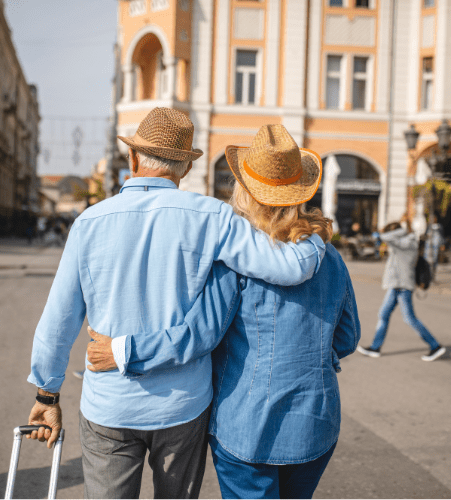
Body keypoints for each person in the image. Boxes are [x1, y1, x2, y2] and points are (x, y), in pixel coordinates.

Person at [25, 109, 327, 499]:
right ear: (184, 168)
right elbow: (286, 268)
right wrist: (317, 236)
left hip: (110, 404)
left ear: (133, 160)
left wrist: (46, 395)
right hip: (182, 406)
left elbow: (58, 322)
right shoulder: (212, 217)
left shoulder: (89, 222)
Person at [89, 124, 360, 499]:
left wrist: (124, 350)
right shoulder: (328, 257)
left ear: (244, 191)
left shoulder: (236, 260)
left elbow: (198, 336)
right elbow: (347, 338)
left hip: (248, 427)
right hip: (316, 422)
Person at [357, 217, 446, 362]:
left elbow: (384, 237)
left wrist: (400, 230)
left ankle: (435, 346)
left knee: (409, 319)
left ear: (397, 233)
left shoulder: (406, 243)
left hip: (402, 286)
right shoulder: (404, 242)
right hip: (396, 285)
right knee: (383, 314)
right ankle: (375, 347)